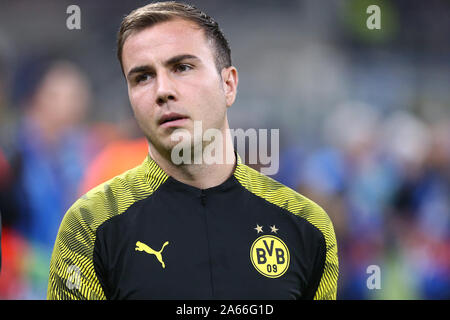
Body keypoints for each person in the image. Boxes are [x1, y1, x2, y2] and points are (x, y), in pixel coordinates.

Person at [47, 1, 338, 300]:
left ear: (228, 84)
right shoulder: (89, 224)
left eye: (182, 67)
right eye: (142, 77)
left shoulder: (307, 225)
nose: (162, 91)